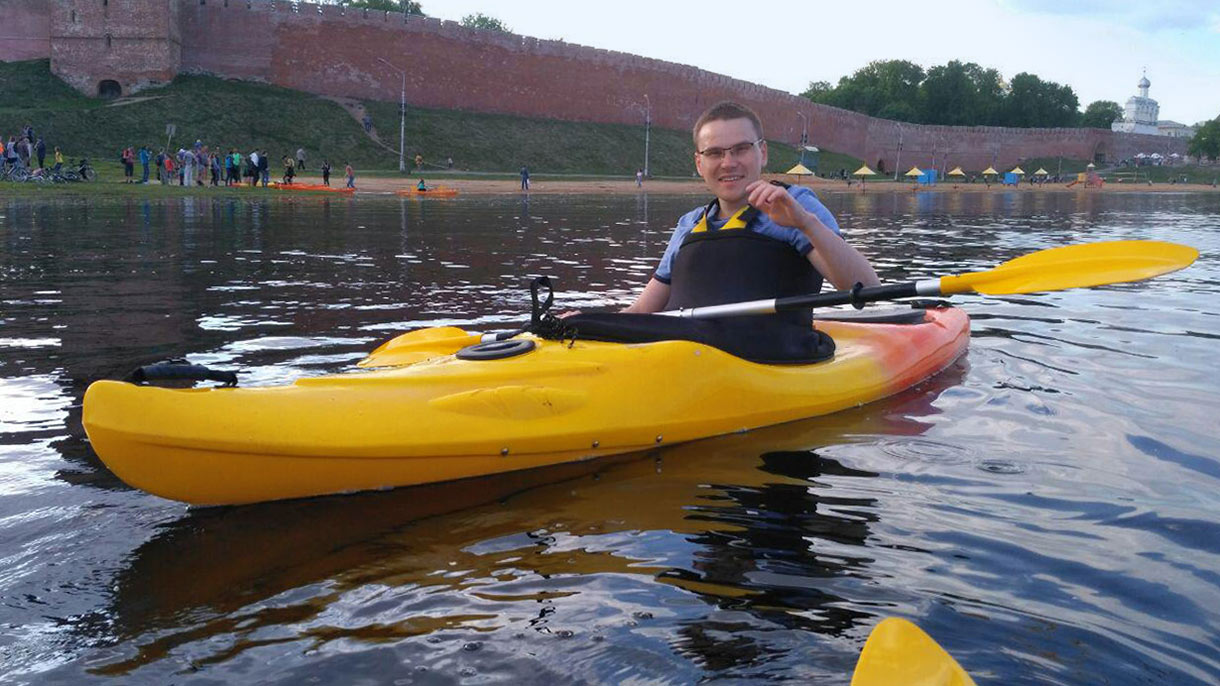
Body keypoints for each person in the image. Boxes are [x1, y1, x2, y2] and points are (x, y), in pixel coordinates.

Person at [597, 101, 878, 362]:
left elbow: (867, 288)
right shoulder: (689, 223)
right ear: (699, 163)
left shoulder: (797, 205)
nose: (728, 162)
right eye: (715, 153)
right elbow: (641, 311)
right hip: (684, 357)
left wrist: (806, 223)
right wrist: (589, 324)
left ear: (762, 152)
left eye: (741, 149)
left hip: (769, 360)